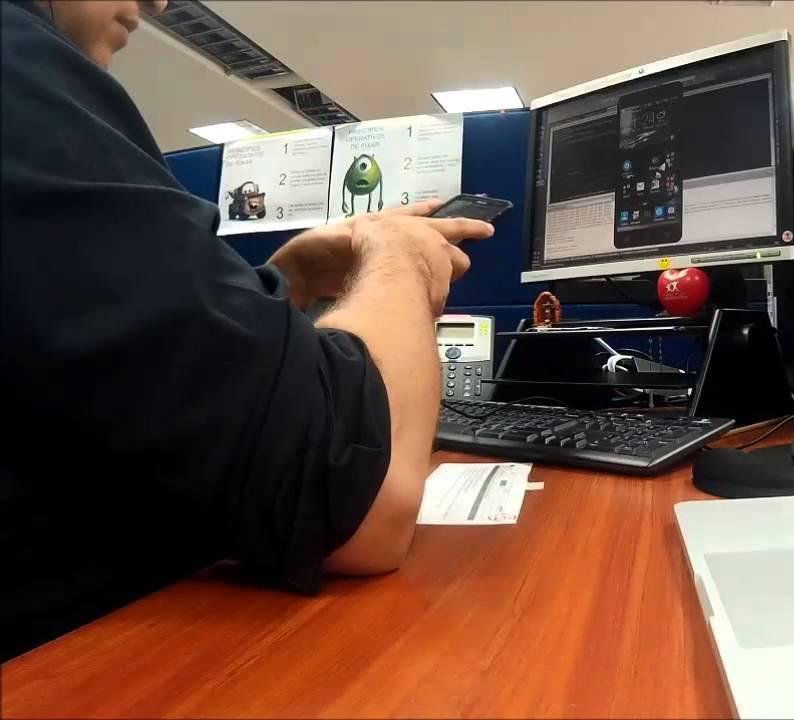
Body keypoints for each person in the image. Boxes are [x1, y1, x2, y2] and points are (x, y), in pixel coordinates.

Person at [0, 0, 492, 660]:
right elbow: (358, 502)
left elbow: (97, 360)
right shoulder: (17, 74)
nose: (159, 3)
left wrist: (284, 282)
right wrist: (397, 257)